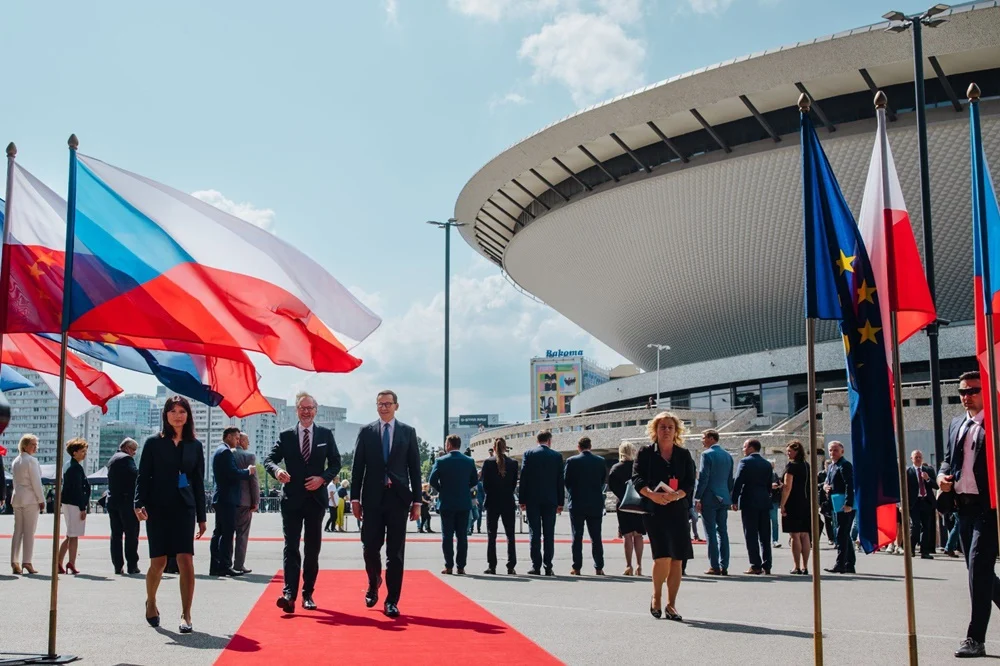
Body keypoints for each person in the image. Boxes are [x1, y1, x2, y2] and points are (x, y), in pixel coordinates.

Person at [134, 396, 207, 634]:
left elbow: (197, 482)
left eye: (182, 411)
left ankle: (186, 614)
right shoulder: (153, 443)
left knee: (186, 559)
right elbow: (143, 476)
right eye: (173, 411)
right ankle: (151, 601)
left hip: (185, 507)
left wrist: (202, 516)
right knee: (159, 562)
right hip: (158, 507)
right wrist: (138, 503)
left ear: (188, 415)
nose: (178, 415)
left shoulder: (195, 445)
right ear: (165, 415)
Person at [938, 371, 998, 658]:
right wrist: (941, 477)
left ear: (985, 391)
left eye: (972, 390)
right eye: (962, 391)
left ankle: (975, 639)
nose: (966, 396)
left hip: (990, 508)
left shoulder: (996, 422)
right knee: (980, 573)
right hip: (962, 508)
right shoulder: (955, 423)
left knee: (978, 570)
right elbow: (947, 460)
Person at [265, 391, 341, 613]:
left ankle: (308, 593)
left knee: (312, 548)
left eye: (310, 408)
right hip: (292, 499)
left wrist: (322, 479)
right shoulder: (286, 435)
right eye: (302, 408)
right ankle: (289, 593)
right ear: (296, 411)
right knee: (291, 547)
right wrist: (278, 471)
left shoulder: (325, 434)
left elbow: (335, 464)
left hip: (316, 500)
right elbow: (269, 459)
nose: (306, 412)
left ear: (315, 410)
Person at [351, 390, 421, 618]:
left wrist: (417, 501)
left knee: (395, 553)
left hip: (398, 498)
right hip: (371, 499)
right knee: (369, 547)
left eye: (388, 404)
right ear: (376, 406)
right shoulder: (366, 432)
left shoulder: (408, 432)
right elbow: (357, 468)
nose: (384, 407)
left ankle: (392, 600)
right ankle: (373, 582)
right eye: (380, 404)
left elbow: (415, 469)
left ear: (396, 406)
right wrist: (355, 499)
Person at [634, 411, 695, 622]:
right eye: (662, 427)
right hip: (655, 509)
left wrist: (678, 494)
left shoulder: (683, 454)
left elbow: (689, 482)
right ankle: (656, 596)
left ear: (676, 430)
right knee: (662, 556)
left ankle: (671, 604)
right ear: (655, 430)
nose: (666, 430)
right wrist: (651, 494)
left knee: (677, 558)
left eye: (670, 427)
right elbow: (636, 478)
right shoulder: (645, 452)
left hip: (678, 509)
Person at [429, 434, 478, 575]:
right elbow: (474, 480)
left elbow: (432, 480)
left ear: (449, 444)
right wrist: (464, 488)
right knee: (462, 536)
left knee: (447, 536)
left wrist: (442, 489)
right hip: (463, 502)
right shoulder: (469, 461)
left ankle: (449, 566)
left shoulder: (440, 461)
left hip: (447, 503)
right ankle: (461, 566)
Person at [519, 430, 564, 576]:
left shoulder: (529, 454)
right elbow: (559, 481)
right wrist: (560, 502)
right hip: (551, 500)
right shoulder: (557, 456)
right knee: (549, 533)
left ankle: (536, 565)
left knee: (535, 532)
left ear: (537, 440)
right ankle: (548, 566)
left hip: (532, 499)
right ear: (549, 441)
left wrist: (522, 500)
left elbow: (524, 478)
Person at [210, 427, 252, 577]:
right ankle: (225, 566)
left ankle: (215, 565)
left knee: (219, 533)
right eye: (236, 438)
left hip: (221, 497)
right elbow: (232, 474)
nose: (237, 441)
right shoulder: (226, 452)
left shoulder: (219, 450)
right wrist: (248, 471)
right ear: (228, 437)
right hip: (227, 498)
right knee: (227, 533)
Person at [564, 436, 607, 576]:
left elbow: (567, 481)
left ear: (579, 447)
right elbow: (602, 481)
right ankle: (599, 567)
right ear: (590, 446)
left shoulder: (571, 461)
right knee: (596, 537)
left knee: (577, 536)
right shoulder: (600, 461)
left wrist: (573, 492)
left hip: (577, 503)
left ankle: (577, 567)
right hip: (595, 503)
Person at [693, 429, 733, 576]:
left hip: (709, 497)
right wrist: (729, 497)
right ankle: (725, 565)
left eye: (703, 438)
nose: (702, 440)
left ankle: (714, 566)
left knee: (710, 532)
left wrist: (698, 498)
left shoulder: (707, 454)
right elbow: (730, 480)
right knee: (723, 532)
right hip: (724, 498)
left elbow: (704, 478)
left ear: (711, 438)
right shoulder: (728, 456)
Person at [731, 438, 773, 575]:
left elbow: (738, 481)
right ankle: (767, 564)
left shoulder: (745, 462)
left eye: (744, 446)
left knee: (751, 534)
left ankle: (755, 565)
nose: (743, 449)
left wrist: (734, 500)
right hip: (764, 501)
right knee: (765, 535)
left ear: (750, 448)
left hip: (749, 501)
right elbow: (768, 485)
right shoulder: (767, 464)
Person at [481, 437, 519, 575]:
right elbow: (514, 484)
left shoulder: (488, 463)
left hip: (492, 501)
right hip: (508, 501)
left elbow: (485, 485)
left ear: (494, 447)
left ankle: (492, 565)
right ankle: (511, 565)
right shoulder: (513, 463)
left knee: (492, 535)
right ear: (505, 447)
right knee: (510, 535)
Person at [608, 441, 645, 576]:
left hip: (623, 505)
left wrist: (623, 496)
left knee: (627, 535)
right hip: (638, 503)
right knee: (638, 535)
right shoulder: (639, 467)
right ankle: (639, 566)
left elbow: (612, 486)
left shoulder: (615, 468)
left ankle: (628, 566)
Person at [10, 433, 45, 575]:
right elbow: (36, 482)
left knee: (17, 531)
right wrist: (41, 499)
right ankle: (27, 561)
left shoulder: (16, 460)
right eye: (33, 445)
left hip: (17, 497)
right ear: (25, 446)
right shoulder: (31, 461)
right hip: (30, 499)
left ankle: (14, 561)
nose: (35, 447)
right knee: (29, 532)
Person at [107, 438, 141, 575]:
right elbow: (136, 476)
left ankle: (117, 565)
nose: (134, 453)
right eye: (133, 450)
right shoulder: (126, 459)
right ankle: (132, 565)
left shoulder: (112, 459)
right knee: (131, 534)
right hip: (126, 502)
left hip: (113, 501)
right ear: (127, 448)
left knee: (116, 535)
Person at [58, 438, 90, 575]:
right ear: (74, 452)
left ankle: (67, 562)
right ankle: (64, 562)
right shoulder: (75, 468)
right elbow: (77, 489)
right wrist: (83, 507)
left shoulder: (69, 465)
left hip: (69, 503)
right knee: (72, 534)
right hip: (74, 504)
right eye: (82, 451)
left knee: (72, 534)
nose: (85, 454)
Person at [779, 440, 811, 575]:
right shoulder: (807, 465)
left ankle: (797, 566)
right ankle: (805, 566)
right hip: (806, 502)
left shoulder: (791, 466)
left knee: (795, 535)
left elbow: (787, 487)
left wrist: (782, 504)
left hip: (793, 502)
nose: (788, 453)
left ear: (797, 452)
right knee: (805, 534)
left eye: (790, 451)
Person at [823, 441, 856, 574]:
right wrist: (825, 487)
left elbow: (850, 484)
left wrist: (849, 504)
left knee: (841, 533)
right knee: (844, 533)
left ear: (842, 451)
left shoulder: (845, 465)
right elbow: (828, 482)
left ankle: (840, 564)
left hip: (845, 504)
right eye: (830, 450)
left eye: (835, 450)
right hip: (835, 503)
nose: (832, 453)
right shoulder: (831, 466)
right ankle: (849, 564)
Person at [233, 432, 259, 574]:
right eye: (247, 441)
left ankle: (223, 563)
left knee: (225, 533)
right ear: (240, 441)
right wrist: (255, 501)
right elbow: (253, 481)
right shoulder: (249, 456)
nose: (248, 444)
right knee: (242, 534)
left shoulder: (225, 454)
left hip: (228, 500)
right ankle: (238, 564)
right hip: (244, 501)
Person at [906, 449, 937, 560]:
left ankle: (924, 551)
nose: (918, 459)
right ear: (912, 459)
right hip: (914, 503)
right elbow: (904, 489)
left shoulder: (928, 470)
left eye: (920, 457)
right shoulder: (908, 471)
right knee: (915, 526)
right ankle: (911, 549)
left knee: (926, 527)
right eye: (916, 457)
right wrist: (901, 504)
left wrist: (927, 479)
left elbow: (936, 486)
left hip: (926, 502)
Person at [768, 460, 783, 549]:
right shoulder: (762, 475)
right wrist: (770, 486)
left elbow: (778, 484)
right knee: (765, 522)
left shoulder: (775, 474)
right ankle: (766, 539)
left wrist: (779, 485)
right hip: (765, 500)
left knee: (774, 521)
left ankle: (775, 540)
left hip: (774, 500)